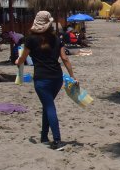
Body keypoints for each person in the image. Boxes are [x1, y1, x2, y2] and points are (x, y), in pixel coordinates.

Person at [16, 10, 76, 150]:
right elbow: (65, 58)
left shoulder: (30, 39)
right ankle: (44, 136)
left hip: (42, 79)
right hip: (56, 77)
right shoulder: (56, 38)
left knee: (49, 106)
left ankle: (57, 140)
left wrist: (17, 61)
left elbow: (22, 60)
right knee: (47, 105)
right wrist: (72, 76)